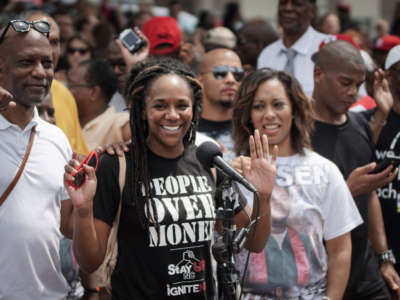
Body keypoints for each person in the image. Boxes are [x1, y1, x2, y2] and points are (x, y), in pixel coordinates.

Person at [64, 57, 276, 299]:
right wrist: (82, 210)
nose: (172, 115)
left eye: (182, 105)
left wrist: (265, 197)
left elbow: (255, 243)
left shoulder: (208, 163)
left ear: (194, 109)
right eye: (160, 105)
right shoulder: (116, 166)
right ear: (143, 110)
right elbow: (90, 262)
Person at [231, 68, 361, 300]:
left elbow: (340, 248)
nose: (269, 114)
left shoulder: (325, 170)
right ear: (248, 115)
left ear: (294, 110)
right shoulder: (233, 171)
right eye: (259, 106)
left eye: (278, 104)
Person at [311, 40, 400, 300]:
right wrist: (347, 190)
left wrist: (384, 257)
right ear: (319, 75)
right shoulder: (297, 131)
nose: (353, 92)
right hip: (320, 270)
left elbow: (369, 194)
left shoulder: (360, 124)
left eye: (359, 85)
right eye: (345, 83)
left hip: (365, 270)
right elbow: (295, 210)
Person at [0, 19, 72, 299]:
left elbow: (69, 227)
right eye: (26, 62)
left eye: (47, 63)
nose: (40, 72)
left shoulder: (57, 139)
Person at [26, 11, 88, 155]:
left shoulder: (65, 95)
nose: (48, 49)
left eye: (54, 42)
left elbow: (78, 155)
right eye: (40, 38)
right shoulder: (6, 93)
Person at [257, 0, 330, 98]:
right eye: (283, 3)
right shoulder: (267, 55)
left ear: (313, 11)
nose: (288, 8)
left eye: (297, 4)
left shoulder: (328, 49)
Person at [375, 45, 400, 277]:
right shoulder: (370, 117)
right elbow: (360, 156)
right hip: (378, 249)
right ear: (388, 75)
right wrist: (381, 115)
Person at [67, 59, 130, 151]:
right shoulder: (64, 119)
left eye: (71, 85)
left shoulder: (121, 123)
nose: (66, 92)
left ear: (93, 92)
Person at [197, 48, 244, 162]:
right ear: (200, 80)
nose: (230, 80)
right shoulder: (186, 130)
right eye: (220, 73)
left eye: (237, 74)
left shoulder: (251, 127)